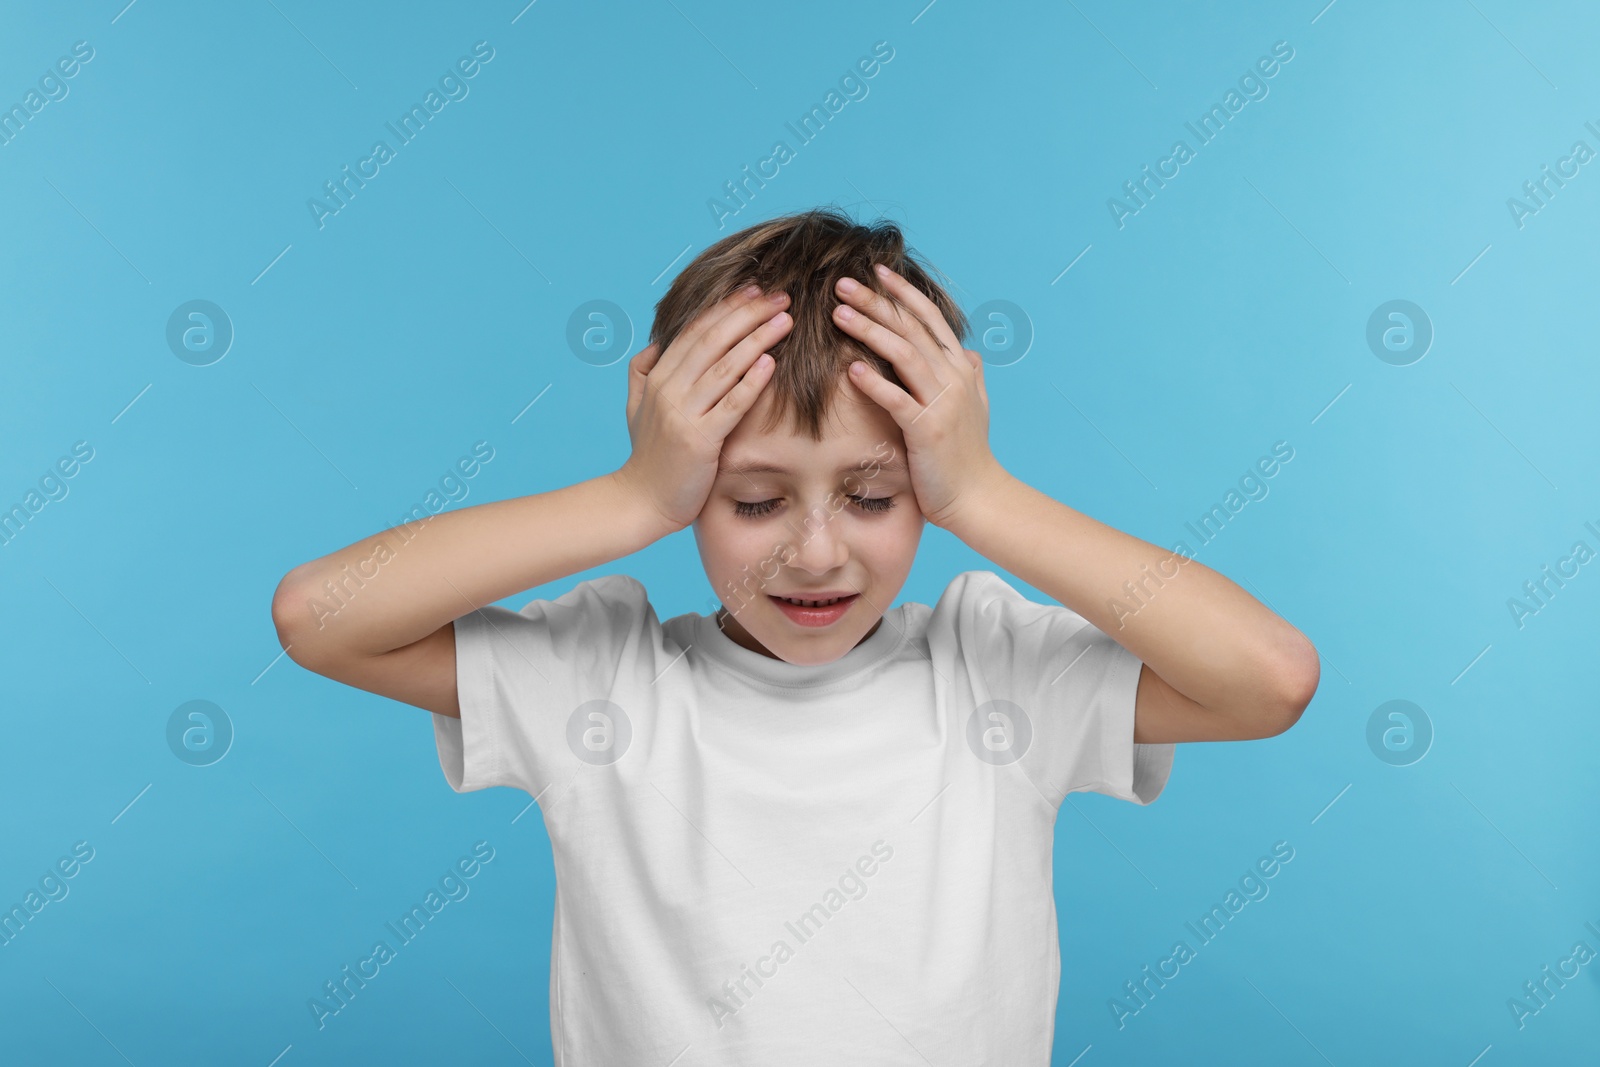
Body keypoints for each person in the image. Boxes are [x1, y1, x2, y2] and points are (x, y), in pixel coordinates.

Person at [271, 206, 1319, 1064]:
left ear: (927, 484)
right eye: (755, 501)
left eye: (871, 496)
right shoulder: (605, 678)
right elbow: (318, 616)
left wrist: (986, 494)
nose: (814, 553)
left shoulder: (992, 671)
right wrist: (629, 498)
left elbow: (1267, 678)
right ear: (690, 491)